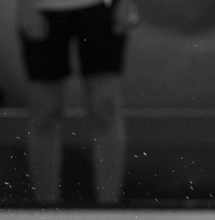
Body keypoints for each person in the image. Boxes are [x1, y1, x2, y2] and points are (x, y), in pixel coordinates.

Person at [17, 0, 139, 204]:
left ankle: (109, 208)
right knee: (43, 108)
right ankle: (44, 209)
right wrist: (24, 5)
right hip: (44, 7)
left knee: (105, 105)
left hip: (102, 7)